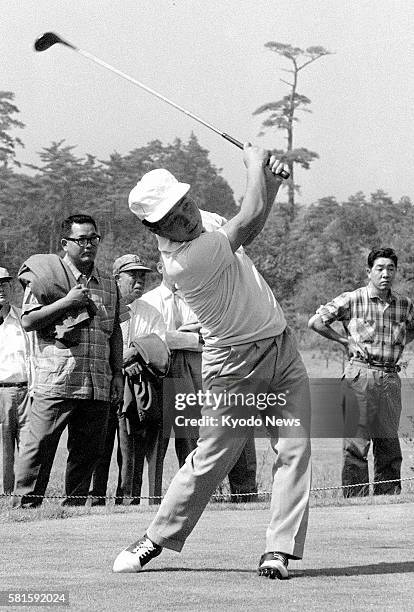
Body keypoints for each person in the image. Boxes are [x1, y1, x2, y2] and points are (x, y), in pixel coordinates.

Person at [113, 143, 311, 580]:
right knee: (213, 457)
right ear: (154, 228)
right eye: (172, 217)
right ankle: (156, 537)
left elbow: (253, 217)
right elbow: (249, 221)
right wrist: (252, 166)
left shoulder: (206, 223)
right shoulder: (184, 263)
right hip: (234, 364)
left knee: (295, 448)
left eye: (184, 204)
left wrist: (270, 181)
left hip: (282, 347)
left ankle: (278, 549)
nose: (186, 217)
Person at [13, 214, 123, 508]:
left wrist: (117, 374)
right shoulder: (47, 277)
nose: (89, 245)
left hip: (96, 382)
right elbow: (28, 320)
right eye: (82, 240)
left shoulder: (110, 286)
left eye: (94, 239)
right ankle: (25, 507)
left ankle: (73, 509)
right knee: (37, 448)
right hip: (57, 380)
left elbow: (114, 332)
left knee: (88, 452)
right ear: (65, 243)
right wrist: (67, 302)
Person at [143, 250, 257, 499]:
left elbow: (213, 331)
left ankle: (242, 493)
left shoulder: (199, 295)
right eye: (170, 265)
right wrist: (191, 336)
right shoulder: (149, 301)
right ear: (160, 268)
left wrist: (177, 334)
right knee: (189, 435)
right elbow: (153, 340)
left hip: (210, 367)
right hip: (170, 372)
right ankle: (197, 494)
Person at [308, 247, 414, 497]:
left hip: (389, 377)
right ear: (369, 272)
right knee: (356, 444)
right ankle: (355, 502)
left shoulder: (404, 304)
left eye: (390, 269)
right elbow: (316, 322)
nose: (385, 274)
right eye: (380, 269)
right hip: (360, 376)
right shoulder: (352, 299)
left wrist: (397, 345)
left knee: (388, 443)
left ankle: (387, 501)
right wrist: (344, 341)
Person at [89, 253, 169, 506]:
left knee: (131, 446)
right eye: (132, 274)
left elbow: (160, 349)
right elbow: (93, 344)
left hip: (134, 389)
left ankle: (128, 499)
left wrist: (134, 353)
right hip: (102, 385)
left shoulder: (150, 312)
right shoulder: (99, 307)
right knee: (97, 445)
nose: (139, 280)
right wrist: (123, 357)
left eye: (142, 275)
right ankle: (94, 498)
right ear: (116, 278)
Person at [0, 267, 30, 495]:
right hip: (1, 391)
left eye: (5, 284)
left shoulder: (22, 318)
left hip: (26, 391)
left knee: (29, 446)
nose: (1, 289)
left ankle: (25, 494)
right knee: (3, 448)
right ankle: (4, 492)